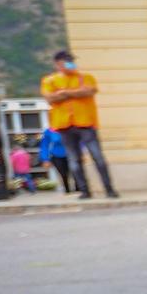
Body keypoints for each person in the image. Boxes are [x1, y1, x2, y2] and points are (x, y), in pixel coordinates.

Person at [41, 49, 117, 198]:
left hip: (86, 123)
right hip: (64, 125)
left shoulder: (85, 77)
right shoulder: (49, 80)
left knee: (98, 157)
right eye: (66, 61)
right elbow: (50, 98)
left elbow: (89, 91)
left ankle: (109, 189)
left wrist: (64, 93)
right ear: (58, 64)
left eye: (71, 61)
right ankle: (84, 191)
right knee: (74, 159)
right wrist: (74, 92)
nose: (70, 64)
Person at [37, 124, 71, 193]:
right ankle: (67, 189)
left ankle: (78, 189)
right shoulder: (49, 131)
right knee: (63, 173)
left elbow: (79, 141)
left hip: (71, 154)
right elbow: (44, 146)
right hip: (56, 156)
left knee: (75, 171)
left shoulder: (70, 128)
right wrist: (45, 159)